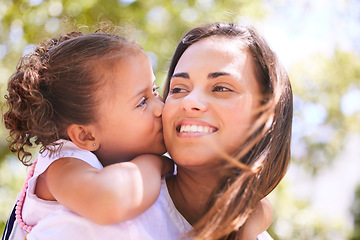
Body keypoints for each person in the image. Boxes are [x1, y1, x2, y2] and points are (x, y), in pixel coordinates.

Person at [26, 22, 292, 240]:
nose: (188, 102)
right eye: (178, 89)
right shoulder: (92, 224)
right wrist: (153, 163)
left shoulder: (254, 228)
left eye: (221, 88)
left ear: (268, 113)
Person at [1, 31, 171, 240]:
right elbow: (108, 201)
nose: (161, 107)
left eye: (154, 90)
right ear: (85, 135)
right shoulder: (62, 164)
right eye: (142, 102)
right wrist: (155, 163)